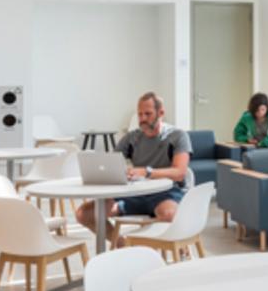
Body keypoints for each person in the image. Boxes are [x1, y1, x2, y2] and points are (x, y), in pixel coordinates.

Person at [78, 91, 189, 242]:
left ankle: (149, 250)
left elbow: (179, 172)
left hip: (166, 193)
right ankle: (124, 246)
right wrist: (117, 173)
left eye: (148, 114)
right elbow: (110, 163)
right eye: (140, 114)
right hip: (135, 193)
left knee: (169, 214)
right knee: (84, 214)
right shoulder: (132, 137)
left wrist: (146, 172)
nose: (142, 119)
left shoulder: (177, 136)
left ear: (161, 112)